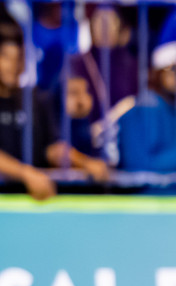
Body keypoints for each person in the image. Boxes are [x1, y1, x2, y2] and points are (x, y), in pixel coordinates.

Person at [0, 30, 108, 198]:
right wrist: (26, 174)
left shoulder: (36, 99)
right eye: (6, 57)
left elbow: (53, 149)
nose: (13, 64)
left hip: (37, 200)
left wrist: (85, 162)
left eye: (19, 57)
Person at [116, 42, 176, 187]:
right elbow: (138, 165)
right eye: (174, 69)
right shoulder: (146, 106)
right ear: (157, 72)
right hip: (151, 201)